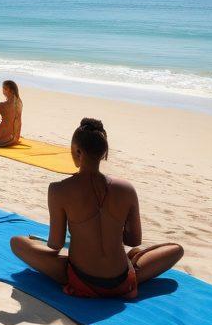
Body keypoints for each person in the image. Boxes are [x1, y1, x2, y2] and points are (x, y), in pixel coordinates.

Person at [10, 118, 183, 299]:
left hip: (81, 280)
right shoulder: (126, 188)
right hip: (122, 281)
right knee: (176, 249)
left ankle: (127, 262)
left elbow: (55, 245)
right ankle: (134, 261)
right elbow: (134, 240)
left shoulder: (58, 189)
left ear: (77, 151)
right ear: (104, 153)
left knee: (17, 242)